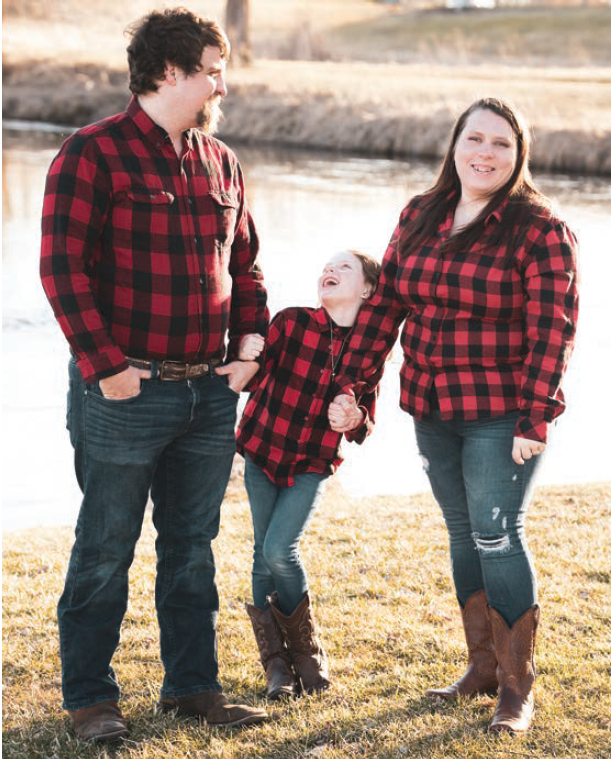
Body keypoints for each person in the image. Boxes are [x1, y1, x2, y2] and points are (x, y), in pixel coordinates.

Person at [39, 8, 270, 742]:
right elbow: (61, 270)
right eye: (212, 68)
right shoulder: (91, 153)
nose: (220, 81)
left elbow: (246, 266)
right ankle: (90, 700)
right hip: (123, 391)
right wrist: (105, 368)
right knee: (106, 547)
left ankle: (191, 688)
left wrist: (249, 349)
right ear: (170, 72)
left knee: (192, 547)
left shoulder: (221, 160)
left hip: (208, 394)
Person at [330, 98, 579, 734]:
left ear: (518, 154)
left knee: (497, 533)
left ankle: (518, 688)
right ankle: (484, 668)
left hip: (502, 414)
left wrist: (535, 418)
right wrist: (356, 384)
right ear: (455, 144)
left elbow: (553, 331)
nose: (486, 153)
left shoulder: (540, 230)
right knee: (463, 532)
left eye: (501, 143)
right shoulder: (421, 213)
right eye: (475, 139)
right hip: (432, 407)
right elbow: (384, 308)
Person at [235, 250, 382, 700]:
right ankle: (276, 666)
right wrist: (246, 351)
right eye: (327, 266)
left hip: (312, 462)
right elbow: (252, 378)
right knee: (263, 554)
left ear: (368, 290)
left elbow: (365, 419)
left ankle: (306, 654)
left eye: (344, 268)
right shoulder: (291, 321)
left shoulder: (367, 349)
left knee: (281, 548)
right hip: (262, 451)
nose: (330, 271)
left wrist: (353, 417)